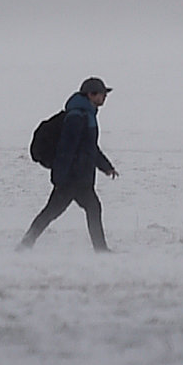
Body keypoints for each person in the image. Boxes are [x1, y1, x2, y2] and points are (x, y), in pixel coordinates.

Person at [20, 76, 118, 251]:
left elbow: (90, 148)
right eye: (102, 94)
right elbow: (67, 147)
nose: (105, 97)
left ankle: (26, 244)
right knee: (55, 212)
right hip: (72, 178)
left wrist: (106, 167)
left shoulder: (87, 114)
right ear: (91, 94)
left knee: (77, 210)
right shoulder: (77, 117)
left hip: (80, 178)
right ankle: (25, 244)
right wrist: (60, 177)